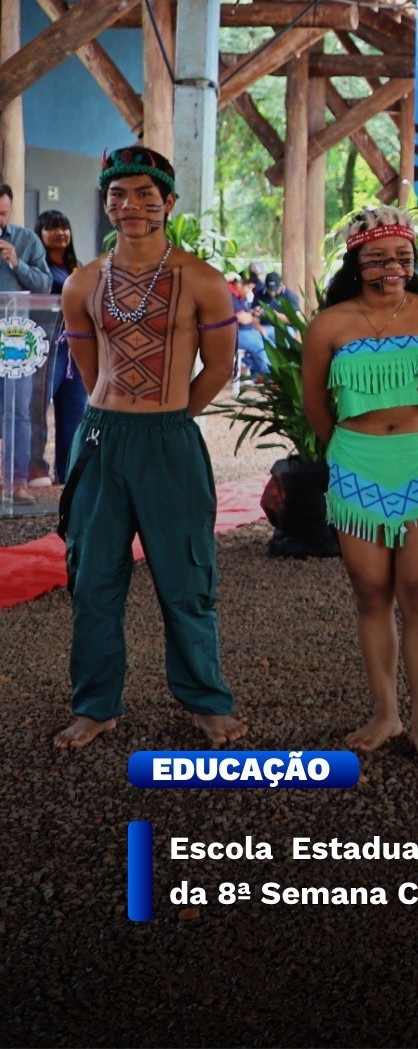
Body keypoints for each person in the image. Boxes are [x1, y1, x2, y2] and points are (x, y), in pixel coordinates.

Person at [52, 147, 244, 750]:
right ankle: (96, 704)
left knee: (186, 575)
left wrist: (170, 419)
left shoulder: (201, 280)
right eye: (117, 195)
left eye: (142, 194)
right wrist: (116, 419)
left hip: (169, 439)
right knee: (92, 577)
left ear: (168, 202)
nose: (129, 206)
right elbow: (88, 368)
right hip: (105, 436)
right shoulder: (84, 281)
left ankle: (205, 700)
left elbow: (219, 366)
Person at [302, 206, 418, 761]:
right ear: (356, 261)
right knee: (370, 590)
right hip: (356, 461)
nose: (391, 266)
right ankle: (386, 713)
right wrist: (346, 450)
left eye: (402, 256)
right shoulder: (331, 324)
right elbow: (315, 404)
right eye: (377, 257)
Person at [1, 182, 54, 492]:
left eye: (4, 213)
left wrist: (17, 263)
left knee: (18, 409)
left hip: (14, 339)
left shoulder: (26, 240)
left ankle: (16, 481)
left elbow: (45, 285)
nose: (0, 220)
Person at [31, 210, 88, 484]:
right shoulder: (39, 270)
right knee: (38, 408)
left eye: (64, 226)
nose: (60, 232)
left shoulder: (79, 267)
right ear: (39, 234)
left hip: (78, 348)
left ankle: (67, 472)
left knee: (75, 410)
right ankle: (34, 469)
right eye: (52, 228)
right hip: (49, 346)